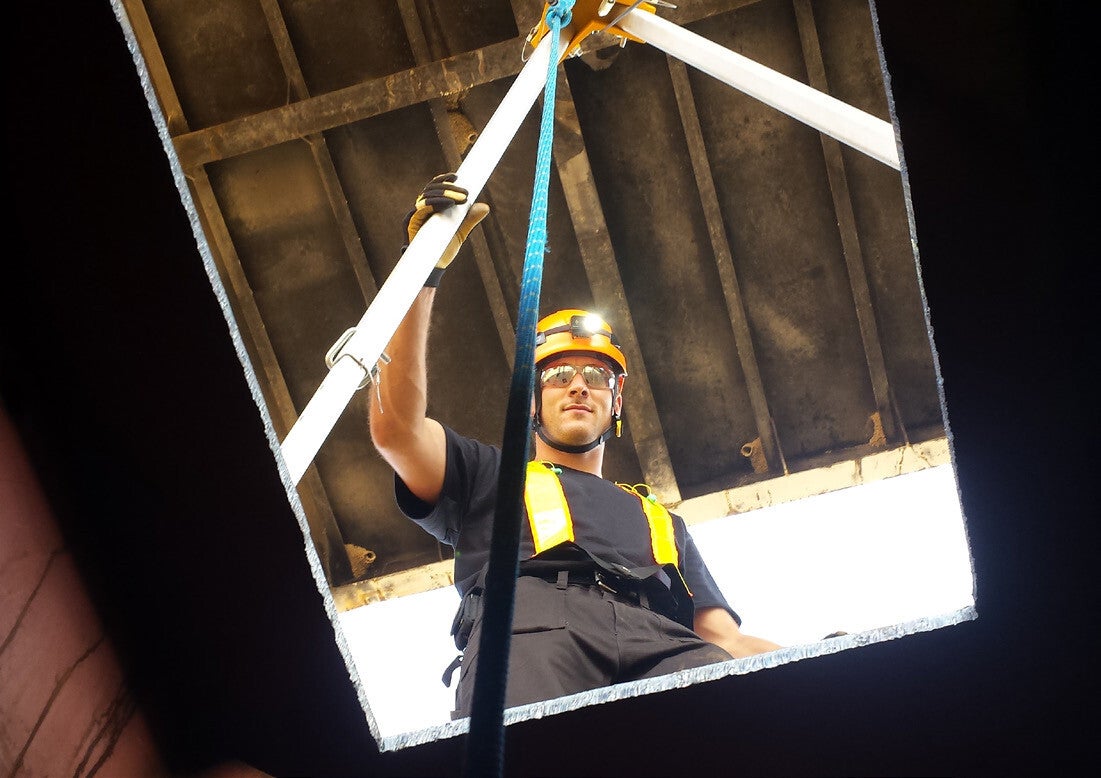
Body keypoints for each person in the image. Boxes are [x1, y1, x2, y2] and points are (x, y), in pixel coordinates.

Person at [369, 174, 781, 719]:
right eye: (558, 375)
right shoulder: (489, 475)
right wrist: (421, 272)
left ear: (617, 400)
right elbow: (397, 430)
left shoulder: (662, 522)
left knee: (734, 713)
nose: (579, 386)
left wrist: (830, 665)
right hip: (532, 625)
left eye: (597, 376)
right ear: (532, 401)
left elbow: (724, 639)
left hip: (662, 642)